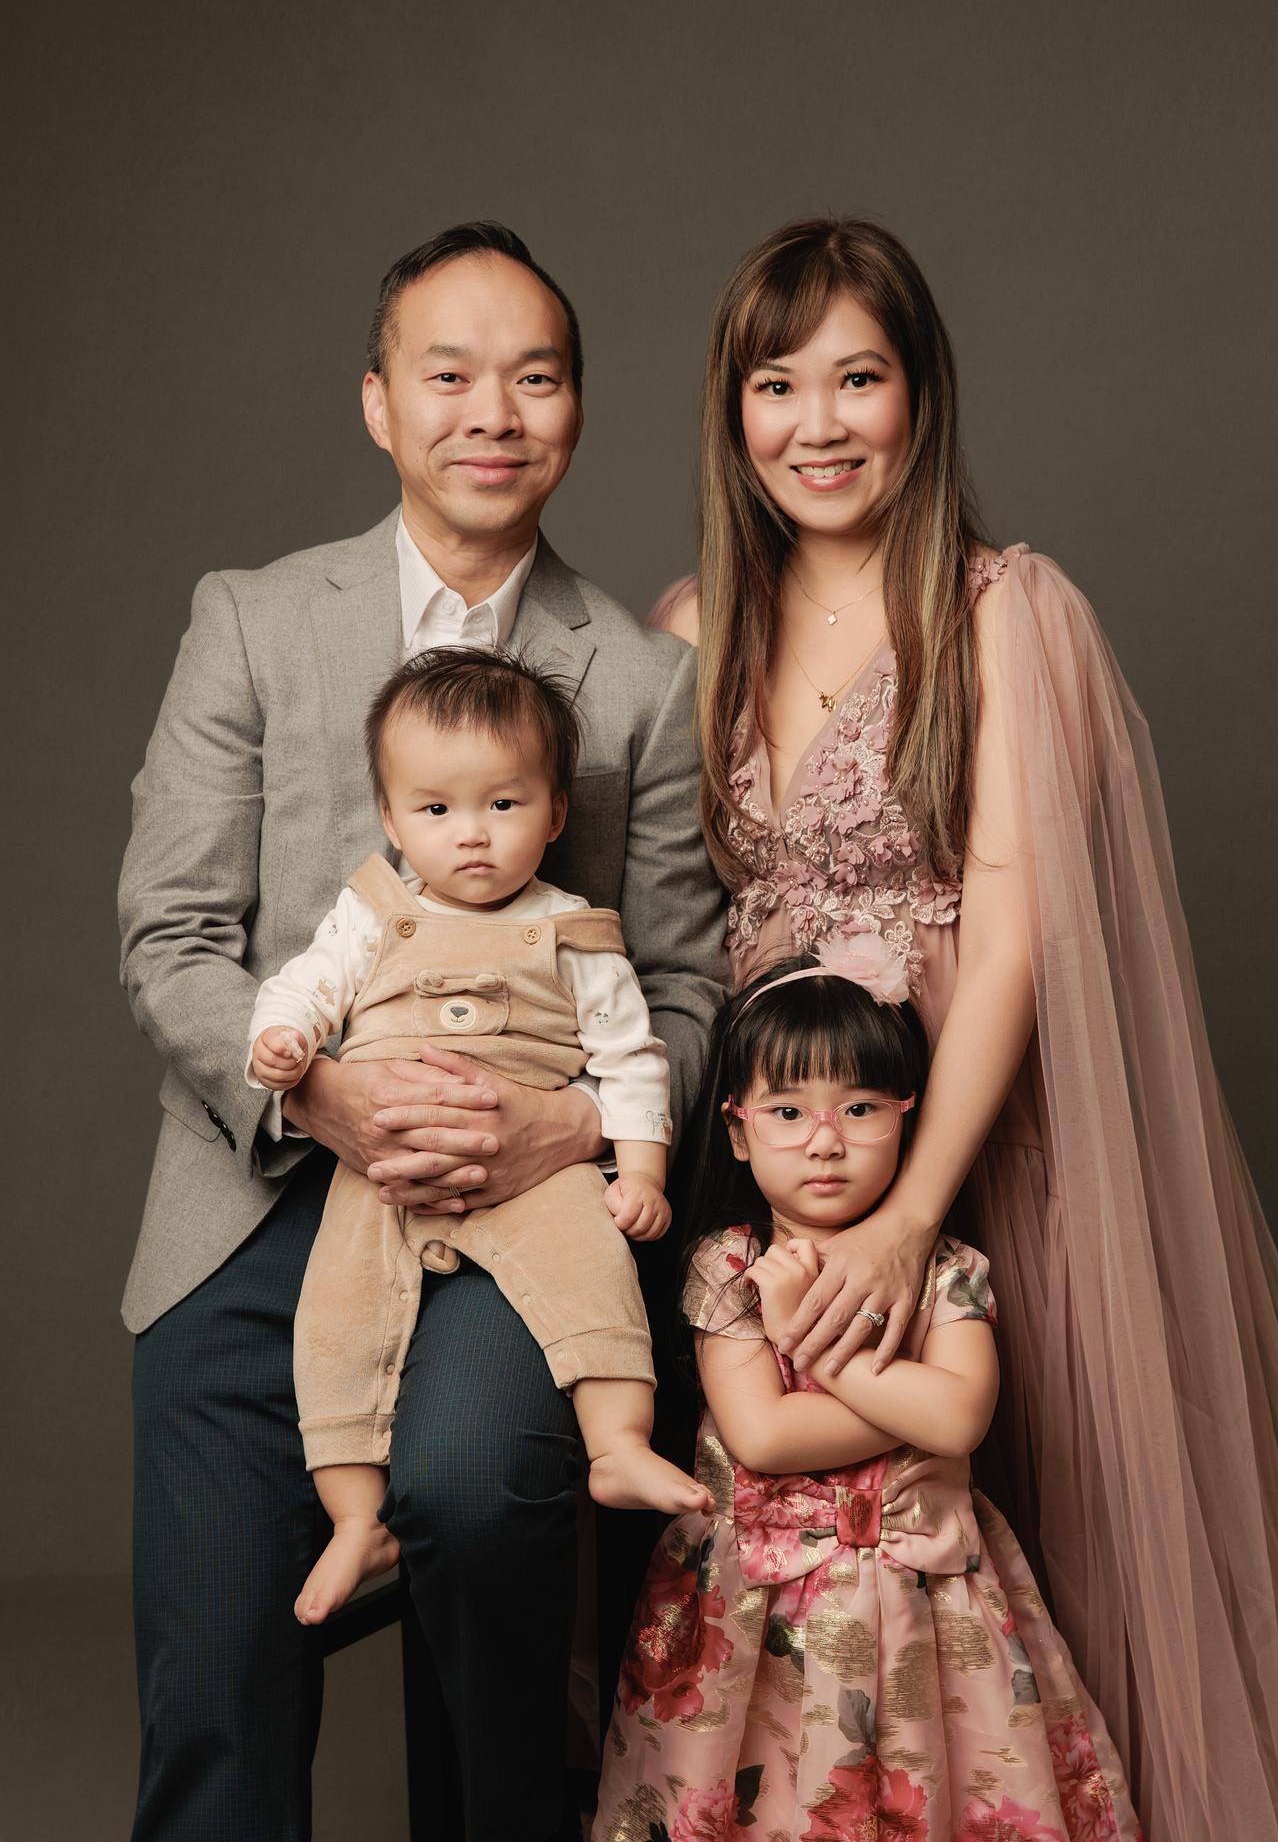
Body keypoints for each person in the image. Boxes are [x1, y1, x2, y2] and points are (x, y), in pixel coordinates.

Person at [653, 217, 1278, 1840]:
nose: (817, 424)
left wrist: (908, 1217)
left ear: (920, 393)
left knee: (1041, 1509)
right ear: (732, 410)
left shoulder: (1007, 610)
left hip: (972, 1119)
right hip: (776, 1137)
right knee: (792, 1542)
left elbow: (1016, 925)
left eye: (858, 379)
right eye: (776, 384)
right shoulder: (690, 627)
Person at [117, 220, 727, 1842]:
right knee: (218, 1674)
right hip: (255, 1199)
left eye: (534, 377)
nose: (491, 413)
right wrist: (320, 1095)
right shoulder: (253, 620)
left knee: (479, 1509)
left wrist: (569, 1127)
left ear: (576, 408)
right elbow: (172, 936)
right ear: (379, 403)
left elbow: (685, 987)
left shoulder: (639, 682)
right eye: (448, 375)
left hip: (510, 1212)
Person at [594, 951, 1142, 1842]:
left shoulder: (943, 1270)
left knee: (941, 1792)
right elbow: (765, 1435)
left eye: (859, 1109)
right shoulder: (730, 1266)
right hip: (754, 1608)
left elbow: (959, 1418)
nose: (825, 1141)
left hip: (926, 1603)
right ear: (737, 1130)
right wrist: (908, 1405)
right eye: (787, 1112)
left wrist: (809, 1337)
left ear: (905, 1115)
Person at [247, 646, 711, 1625]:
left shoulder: (574, 930)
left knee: (592, 1271)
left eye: (503, 804)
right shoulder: (372, 912)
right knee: (337, 1317)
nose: (471, 834)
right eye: (435, 809)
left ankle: (618, 1444)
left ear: (555, 812)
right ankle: (356, 1515)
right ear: (390, 819)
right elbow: (304, 987)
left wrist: (640, 1169)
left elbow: (630, 1057)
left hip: (536, 1167)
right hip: (386, 1166)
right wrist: (284, 1043)